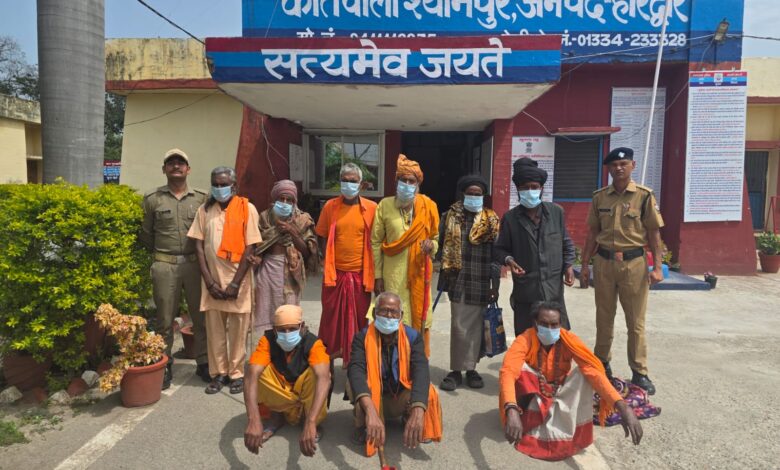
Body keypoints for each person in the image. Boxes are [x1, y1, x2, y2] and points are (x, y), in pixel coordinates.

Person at [499, 301, 643, 461]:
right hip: (533, 397)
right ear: (535, 323)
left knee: (586, 372)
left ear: (561, 324)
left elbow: (594, 372)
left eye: (554, 324)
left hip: (559, 393)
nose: (550, 329)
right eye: (544, 324)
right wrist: (511, 409)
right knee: (520, 370)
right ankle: (522, 418)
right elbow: (508, 372)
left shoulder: (569, 340)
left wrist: (622, 406)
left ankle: (562, 428)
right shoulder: (524, 340)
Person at [579, 147, 664, 395]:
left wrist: (658, 267)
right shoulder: (599, 197)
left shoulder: (644, 196)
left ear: (632, 165)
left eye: (623, 164)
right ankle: (602, 363)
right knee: (604, 318)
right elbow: (592, 233)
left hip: (634, 264)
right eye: (614, 165)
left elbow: (654, 234)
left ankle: (640, 372)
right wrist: (584, 265)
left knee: (635, 321)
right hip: (604, 263)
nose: (618, 168)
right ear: (608, 169)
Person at [187, 166, 261, 395]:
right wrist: (209, 282)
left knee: (238, 333)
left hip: (239, 283)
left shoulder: (247, 208)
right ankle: (219, 373)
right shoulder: (204, 210)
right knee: (215, 332)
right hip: (212, 282)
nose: (219, 188)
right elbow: (199, 246)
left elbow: (251, 247)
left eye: (223, 184)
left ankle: (236, 373)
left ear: (234, 186)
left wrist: (235, 284)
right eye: (215, 185)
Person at [140, 148, 209, 389]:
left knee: (201, 316)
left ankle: (204, 361)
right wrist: (162, 257)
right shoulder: (153, 199)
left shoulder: (201, 198)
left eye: (181, 163)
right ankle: (164, 364)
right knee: (164, 318)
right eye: (171, 163)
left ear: (188, 169)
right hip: (165, 265)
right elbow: (146, 234)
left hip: (194, 265)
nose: (176, 166)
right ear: (164, 169)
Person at [347, 292, 442, 457]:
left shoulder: (413, 337)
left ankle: (410, 418)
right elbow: (355, 370)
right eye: (384, 310)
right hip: (373, 398)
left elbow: (421, 371)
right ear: (374, 312)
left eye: (393, 311)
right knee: (353, 382)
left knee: (429, 391)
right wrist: (370, 411)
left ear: (401, 316)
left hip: (399, 396)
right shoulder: (362, 337)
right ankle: (363, 424)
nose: (389, 315)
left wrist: (418, 411)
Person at [494, 157, 576, 337]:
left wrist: (569, 265)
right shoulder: (510, 218)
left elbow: (566, 242)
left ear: (541, 188)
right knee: (527, 338)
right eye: (525, 187)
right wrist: (509, 260)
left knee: (557, 336)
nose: (530, 191)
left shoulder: (556, 212)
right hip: (526, 291)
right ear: (518, 190)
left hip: (553, 290)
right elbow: (499, 249)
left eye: (534, 187)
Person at [371, 154, 439, 356]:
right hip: (393, 276)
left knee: (420, 319)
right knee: (391, 317)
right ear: (396, 181)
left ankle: (415, 363)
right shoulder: (385, 205)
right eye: (403, 180)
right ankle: (391, 363)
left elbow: (435, 238)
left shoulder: (429, 206)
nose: (407, 185)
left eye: (411, 181)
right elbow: (376, 242)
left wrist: (431, 246)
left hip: (419, 275)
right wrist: (378, 276)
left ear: (418, 184)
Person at [437, 174, 500, 391]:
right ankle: (456, 371)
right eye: (470, 193)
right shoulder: (449, 216)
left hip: (481, 280)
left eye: (478, 193)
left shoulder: (492, 219)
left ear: (483, 196)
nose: (474, 196)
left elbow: (496, 255)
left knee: (477, 328)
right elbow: (439, 246)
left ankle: (471, 369)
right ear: (463, 194)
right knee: (459, 327)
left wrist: (494, 286)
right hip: (458, 280)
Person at [243, 305, 331, 457]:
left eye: (292, 329)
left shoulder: (313, 344)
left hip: (305, 395)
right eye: (282, 330)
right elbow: (251, 376)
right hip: (283, 392)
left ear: (302, 327)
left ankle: (309, 420)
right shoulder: (267, 341)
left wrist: (311, 422)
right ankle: (277, 416)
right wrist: (253, 419)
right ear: (274, 329)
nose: (287, 334)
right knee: (256, 371)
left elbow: (324, 379)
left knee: (317, 374)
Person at [315, 163, 377, 368]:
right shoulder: (330, 207)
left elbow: (377, 240)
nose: (348, 184)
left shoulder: (372, 208)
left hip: (360, 277)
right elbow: (322, 235)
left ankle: (355, 365)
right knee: (330, 322)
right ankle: (328, 366)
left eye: (353, 181)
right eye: (345, 180)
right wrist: (326, 261)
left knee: (359, 322)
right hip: (335, 276)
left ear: (361, 184)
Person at [253, 180, 318, 337]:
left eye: (289, 200)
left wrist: (292, 231)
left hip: (291, 274)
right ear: (275, 199)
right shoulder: (264, 217)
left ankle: (287, 345)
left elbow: (308, 252)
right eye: (281, 199)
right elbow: (257, 245)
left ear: (294, 202)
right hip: (267, 272)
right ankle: (267, 346)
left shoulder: (302, 219)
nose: (285, 203)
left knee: (288, 314)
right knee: (266, 312)